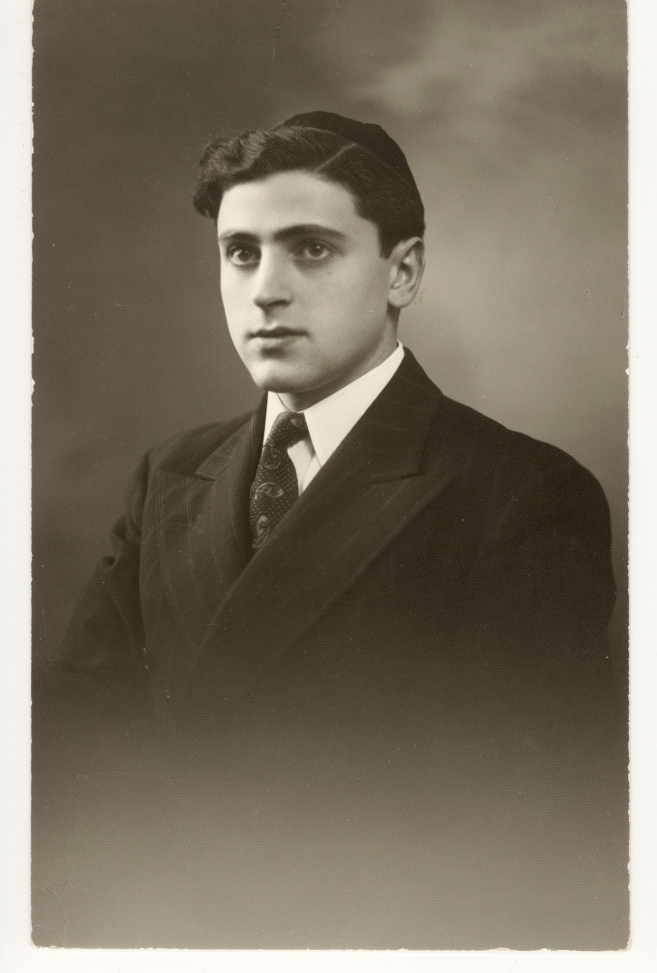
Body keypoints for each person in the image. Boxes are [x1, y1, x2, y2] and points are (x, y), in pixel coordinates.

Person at [35, 112, 628, 950]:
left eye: (310, 249)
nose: (265, 288)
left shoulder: (519, 490)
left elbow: (530, 826)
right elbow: (76, 742)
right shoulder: (170, 474)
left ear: (403, 272)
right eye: (241, 252)